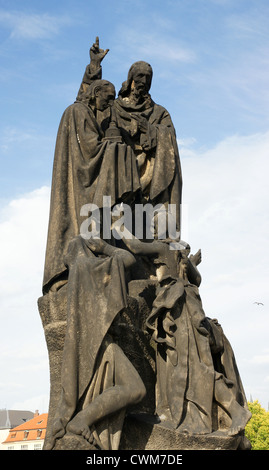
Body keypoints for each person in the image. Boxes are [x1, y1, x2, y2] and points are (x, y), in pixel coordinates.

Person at [119, 232, 251, 437]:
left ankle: (236, 411)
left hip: (180, 312)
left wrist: (116, 223)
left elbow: (134, 247)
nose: (153, 232)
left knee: (193, 369)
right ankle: (232, 411)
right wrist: (192, 263)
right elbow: (197, 279)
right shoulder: (179, 251)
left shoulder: (163, 248)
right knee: (195, 368)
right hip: (190, 308)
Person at [42, 40, 140, 294]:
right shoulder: (78, 111)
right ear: (96, 96)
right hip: (80, 179)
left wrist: (94, 66)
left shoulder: (85, 107)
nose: (108, 106)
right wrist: (116, 147)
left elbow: (86, 95)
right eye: (106, 101)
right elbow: (90, 148)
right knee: (81, 225)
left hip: (84, 177)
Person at [46, 236, 146, 450]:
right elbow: (128, 259)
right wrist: (106, 247)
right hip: (101, 344)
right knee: (136, 388)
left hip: (93, 344)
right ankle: (82, 420)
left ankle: (82, 419)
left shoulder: (76, 274)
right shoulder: (90, 267)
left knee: (134, 388)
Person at [113, 60, 183, 235]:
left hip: (150, 170)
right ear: (131, 79)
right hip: (122, 166)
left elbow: (170, 137)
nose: (144, 81)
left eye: (148, 78)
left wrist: (149, 129)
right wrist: (92, 70)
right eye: (140, 76)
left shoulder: (159, 112)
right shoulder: (114, 108)